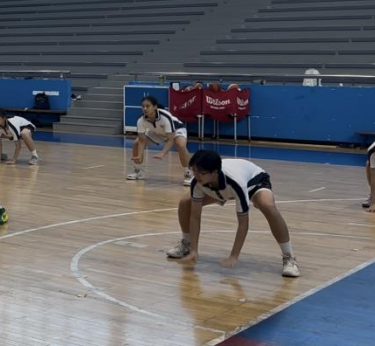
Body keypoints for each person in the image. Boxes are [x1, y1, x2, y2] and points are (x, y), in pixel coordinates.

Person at [165, 150, 300, 278]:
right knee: (185, 203)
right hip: (221, 189)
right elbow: (195, 216)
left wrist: (234, 256)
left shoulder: (236, 183)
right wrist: (194, 249)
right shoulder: (198, 181)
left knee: (268, 206)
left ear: (214, 171)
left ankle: (289, 257)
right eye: (194, 170)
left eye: (201, 172)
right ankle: (187, 245)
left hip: (254, 182)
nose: (196, 175)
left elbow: (243, 224)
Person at [128, 95, 192, 186]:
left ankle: (189, 173)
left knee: (181, 145)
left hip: (176, 130)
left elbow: (170, 139)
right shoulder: (140, 120)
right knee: (136, 143)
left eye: (148, 106)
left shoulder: (165, 116)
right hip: (158, 132)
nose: (145, 108)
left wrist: (163, 153)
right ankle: (138, 171)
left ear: (155, 107)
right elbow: (142, 140)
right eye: (143, 106)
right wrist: (139, 155)